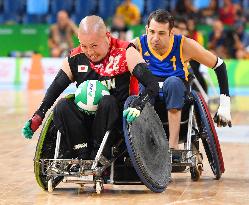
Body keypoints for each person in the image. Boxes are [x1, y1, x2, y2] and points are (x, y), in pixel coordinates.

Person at [22, 15, 159, 160]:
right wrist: (38, 115)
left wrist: (138, 105)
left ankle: (98, 155)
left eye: (94, 45)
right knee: (62, 105)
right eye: (84, 46)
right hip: (85, 122)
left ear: (107, 36)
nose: (90, 52)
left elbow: (152, 85)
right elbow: (56, 87)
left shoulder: (125, 52)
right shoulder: (75, 57)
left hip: (116, 120)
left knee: (107, 101)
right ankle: (81, 154)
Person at [131, 9, 232, 158]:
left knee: (172, 83)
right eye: (151, 32)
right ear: (146, 29)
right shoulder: (136, 45)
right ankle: (146, 145)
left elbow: (219, 65)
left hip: (177, 96)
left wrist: (225, 104)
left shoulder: (184, 45)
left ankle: (173, 147)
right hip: (149, 97)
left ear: (171, 33)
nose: (155, 38)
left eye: (161, 33)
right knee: (144, 84)